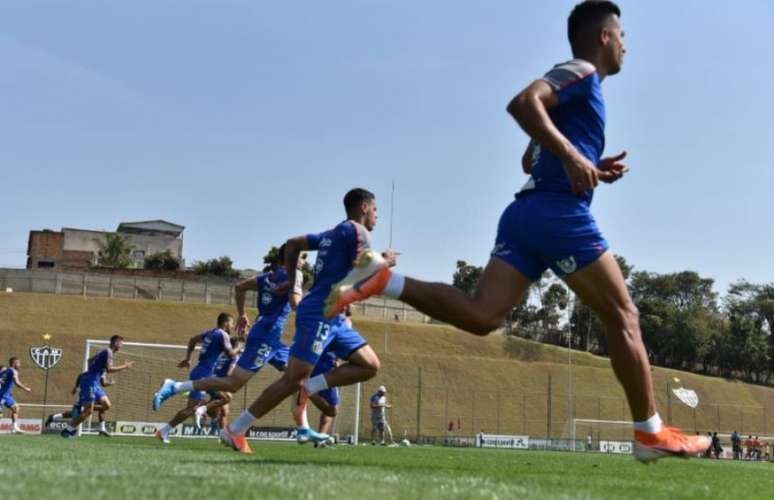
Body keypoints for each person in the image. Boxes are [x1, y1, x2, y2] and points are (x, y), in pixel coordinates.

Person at [324, 1, 710, 463]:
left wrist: (586, 161)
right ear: (604, 36)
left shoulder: (583, 93)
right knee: (624, 315)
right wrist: (571, 155)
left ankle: (386, 280)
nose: (628, 44)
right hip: (557, 214)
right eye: (623, 34)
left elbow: (530, 158)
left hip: (525, 212)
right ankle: (650, 433)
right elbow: (523, 103)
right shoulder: (581, 71)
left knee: (482, 315)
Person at [220, 188, 394, 453]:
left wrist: (292, 284)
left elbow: (292, 244)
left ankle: (309, 387)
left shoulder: (331, 235)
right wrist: (386, 260)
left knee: (369, 365)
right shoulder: (356, 231)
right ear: (364, 208)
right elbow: (364, 270)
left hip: (334, 317)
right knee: (291, 379)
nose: (377, 216)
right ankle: (236, 429)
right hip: (319, 313)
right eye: (376, 210)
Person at [153, 247, 303, 419]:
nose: (304, 261)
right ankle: (175, 388)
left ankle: (302, 424)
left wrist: (242, 314)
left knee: (298, 373)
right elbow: (295, 304)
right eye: (302, 257)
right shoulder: (292, 276)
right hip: (266, 336)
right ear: (292, 258)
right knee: (232, 385)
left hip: (272, 338)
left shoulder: (267, 277)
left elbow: (240, 287)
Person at [152, 313, 238, 444]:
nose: (232, 327)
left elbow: (192, 340)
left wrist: (188, 358)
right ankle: (174, 386)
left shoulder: (209, 332)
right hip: (204, 374)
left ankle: (164, 431)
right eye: (232, 323)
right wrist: (241, 345)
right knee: (224, 398)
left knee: (223, 398)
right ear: (226, 323)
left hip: (202, 372)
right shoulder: (223, 334)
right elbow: (230, 353)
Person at [61, 335, 134, 437]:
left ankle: (81, 407)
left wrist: (96, 369)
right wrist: (125, 366)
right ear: (116, 343)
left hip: (95, 383)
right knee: (88, 411)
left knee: (107, 405)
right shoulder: (108, 352)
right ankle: (68, 430)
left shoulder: (105, 352)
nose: (122, 346)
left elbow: (89, 360)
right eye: (121, 344)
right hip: (89, 382)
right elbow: (109, 369)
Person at [46, 371, 113, 436]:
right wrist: (76, 387)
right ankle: (54, 417)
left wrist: (109, 383)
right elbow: (81, 375)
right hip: (87, 392)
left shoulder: (103, 370)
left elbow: (103, 383)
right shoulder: (97, 367)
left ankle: (102, 429)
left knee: (101, 408)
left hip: (95, 391)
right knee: (76, 413)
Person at [0, 357, 32, 434]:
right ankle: (14, 428)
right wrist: (26, 388)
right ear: (14, 363)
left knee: (16, 408)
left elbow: (2, 379)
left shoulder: (5, 370)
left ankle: (14, 428)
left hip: (6, 395)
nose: (19, 365)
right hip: (3, 395)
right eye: (18, 363)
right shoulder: (13, 371)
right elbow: (17, 383)